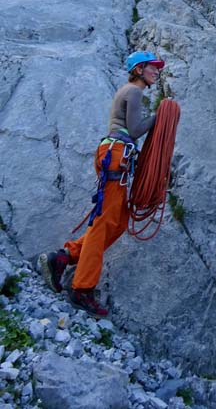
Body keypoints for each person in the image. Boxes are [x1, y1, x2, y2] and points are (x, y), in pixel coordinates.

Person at [39, 50, 165, 317]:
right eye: (153, 67)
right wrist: (160, 115)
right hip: (116, 156)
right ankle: (82, 288)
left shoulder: (132, 91)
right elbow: (134, 130)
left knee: (118, 222)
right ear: (139, 69)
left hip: (118, 157)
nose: (157, 71)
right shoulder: (133, 91)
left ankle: (65, 258)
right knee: (103, 224)